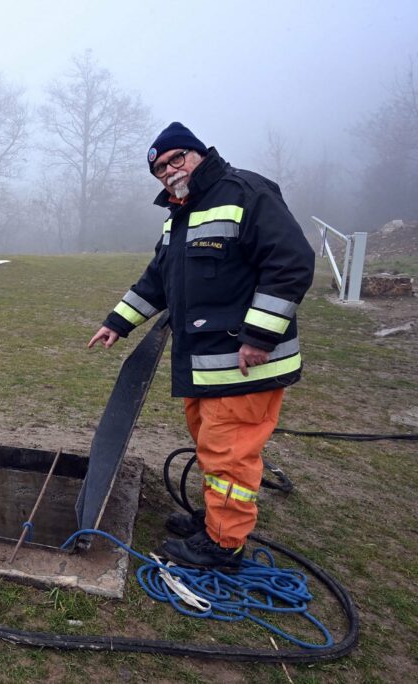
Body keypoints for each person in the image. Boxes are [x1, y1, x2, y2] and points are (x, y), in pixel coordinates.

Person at [88, 122, 315, 570]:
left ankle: (224, 545)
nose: (170, 171)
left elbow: (291, 262)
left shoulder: (245, 193)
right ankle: (216, 521)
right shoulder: (181, 214)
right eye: (159, 169)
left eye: (177, 159)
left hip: (246, 363)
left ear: (198, 154)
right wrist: (118, 323)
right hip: (206, 366)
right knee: (212, 446)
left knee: (229, 453)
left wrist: (260, 335)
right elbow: (157, 279)